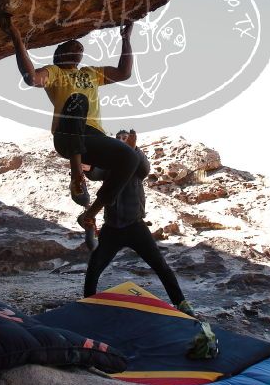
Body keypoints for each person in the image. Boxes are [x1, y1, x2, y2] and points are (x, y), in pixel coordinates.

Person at [0, 11, 140, 248]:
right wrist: (16, 37)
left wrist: (126, 39)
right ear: (59, 55)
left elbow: (124, 73)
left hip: (93, 137)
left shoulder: (90, 73)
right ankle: (76, 174)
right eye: (71, 46)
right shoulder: (54, 72)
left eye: (79, 47)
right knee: (78, 101)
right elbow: (31, 78)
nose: (78, 47)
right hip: (66, 135)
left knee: (130, 158)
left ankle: (90, 215)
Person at [84, 129, 196, 316]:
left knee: (160, 265)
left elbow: (145, 168)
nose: (122, 141)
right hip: (111, 228)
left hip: (135, 226)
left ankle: (181, 303)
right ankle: (87, 303)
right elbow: (96, 173)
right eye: (119, 139)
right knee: (94, 267)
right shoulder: (110, 165)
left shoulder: (135, 162)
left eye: (125, 138)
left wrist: (134, 149)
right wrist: (86, 167)